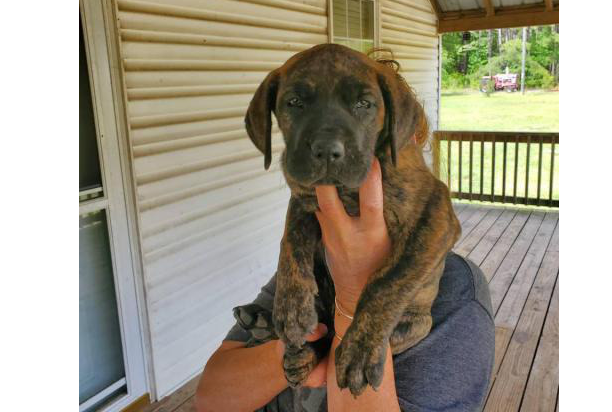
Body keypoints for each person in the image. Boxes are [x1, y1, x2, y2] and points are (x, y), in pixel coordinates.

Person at [195, 159, 495, 412]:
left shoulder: (458, 297)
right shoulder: (316, 261)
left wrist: (354, 305)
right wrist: (283, 359)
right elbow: (211, 397)